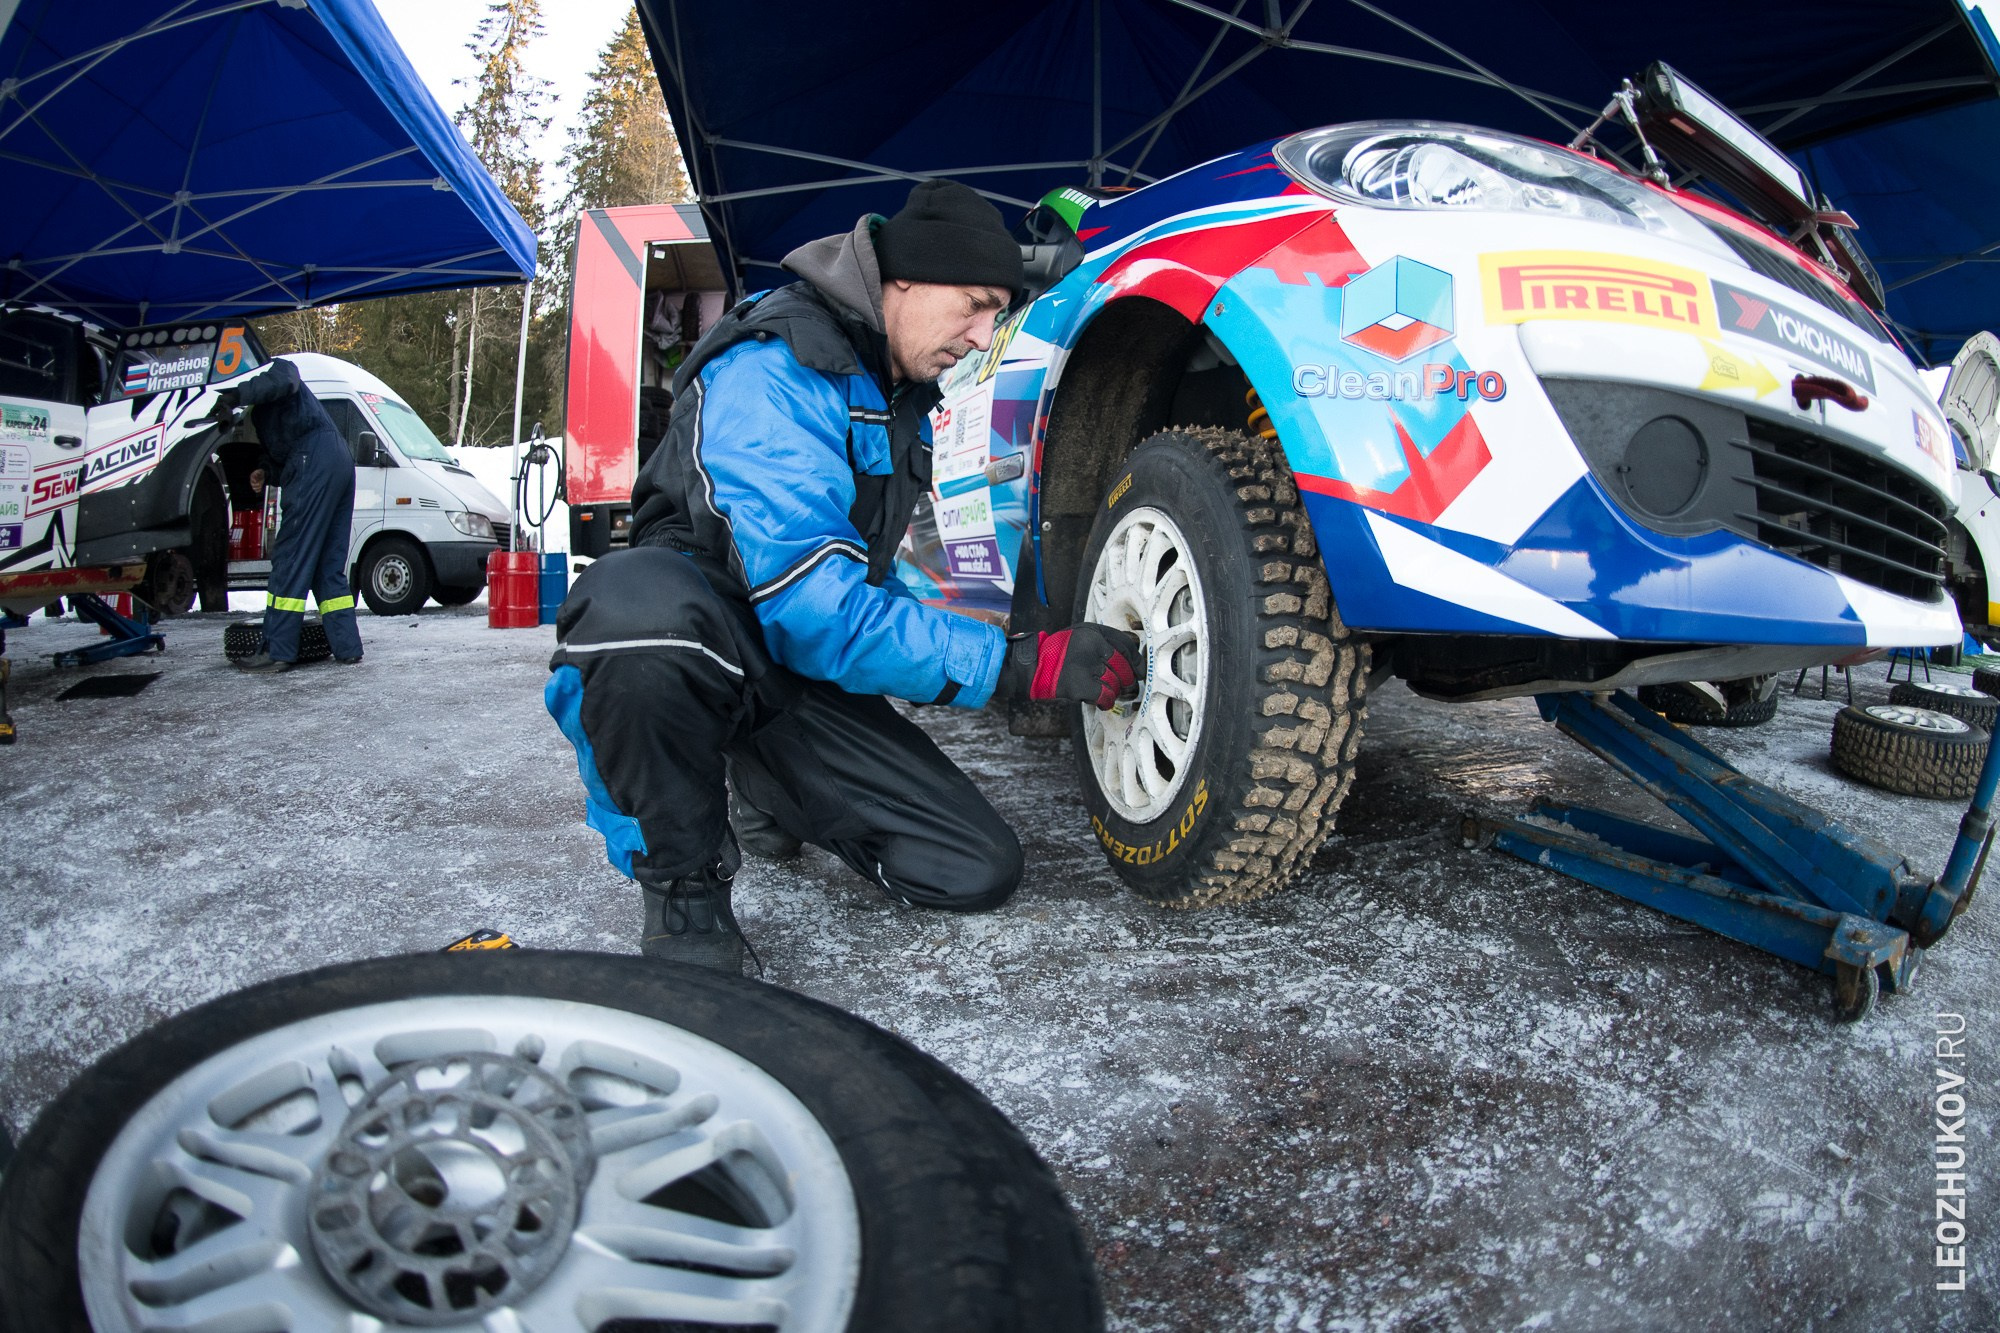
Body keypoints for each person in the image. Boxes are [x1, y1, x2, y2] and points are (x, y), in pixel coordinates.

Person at [547, 180, 1144, 972]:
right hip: (705, 643)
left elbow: (871, 580)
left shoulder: (893, 393)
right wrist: (1014, 668)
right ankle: (683, 891)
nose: (981, 335)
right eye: (970, 305)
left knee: (973, 867)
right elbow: (813, 608)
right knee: (633, 619)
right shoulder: (778, 366)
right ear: (902, 280)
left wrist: (1009, 638)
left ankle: (764, 780)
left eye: (995, 314)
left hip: (787, 670)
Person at [216, 358, 363, 671]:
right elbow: (284, 458)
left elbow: (287, 381)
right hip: (336, 461)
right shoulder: (269, 410)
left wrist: (235, 395)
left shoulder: (278, 371)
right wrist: (264, 471)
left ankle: (277, 648)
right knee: (327, 564)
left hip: (316, 456)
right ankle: (347, 646)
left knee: (291, 557)